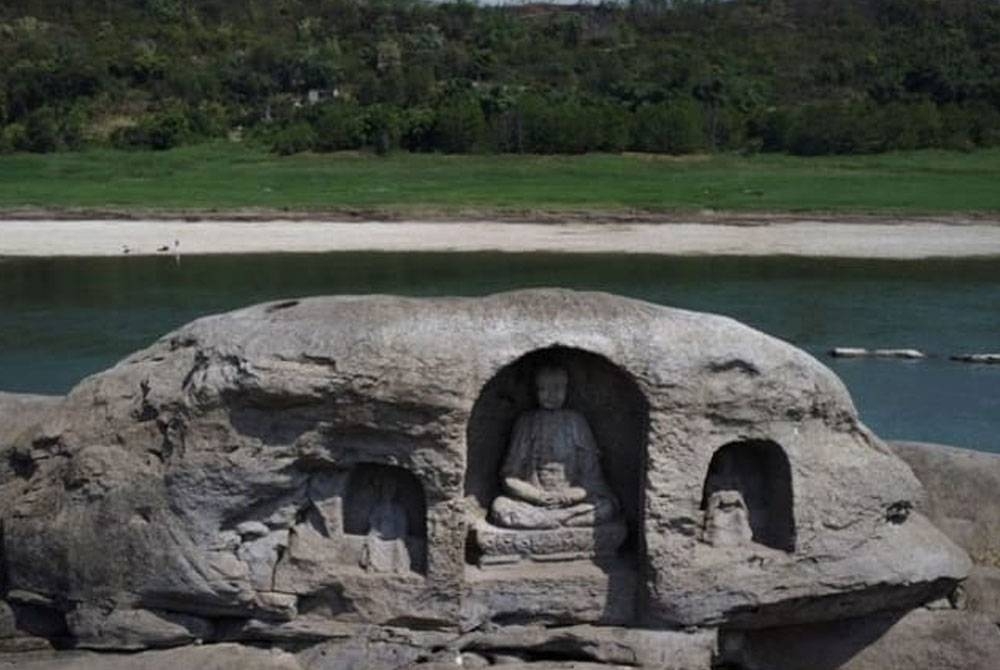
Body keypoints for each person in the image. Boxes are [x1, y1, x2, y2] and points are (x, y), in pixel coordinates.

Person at [489, 365, 620, 530]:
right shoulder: (526, 422)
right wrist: (537, 496)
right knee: (500, 506)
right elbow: (510, 477)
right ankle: (561, 522)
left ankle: (548, 522)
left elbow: (592, 478)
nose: (551, 395)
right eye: (543, 389)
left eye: (557, 388)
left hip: (570, 502)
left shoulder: (576, 422)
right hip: (532, 503)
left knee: (605, 507)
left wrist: (569, 496)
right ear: (535, 391)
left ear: (567, 389)